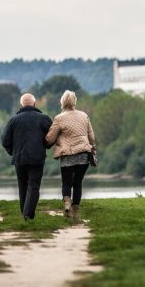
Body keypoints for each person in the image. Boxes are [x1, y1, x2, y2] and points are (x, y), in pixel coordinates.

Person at [45, 90, 96, 221]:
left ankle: (67, 202)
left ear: (62, 102)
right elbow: (91, 137)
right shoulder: (84, 116)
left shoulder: (59, 118)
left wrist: (46, 141)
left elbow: (50, 139)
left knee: (66, 183)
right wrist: (92, 148)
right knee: (78, 183)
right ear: (74, 102)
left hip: (67, 155)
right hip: (83, 154)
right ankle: (75, 211)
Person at [1, 93, 52, 220]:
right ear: (34, 104)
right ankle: (28, 215)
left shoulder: (13, 120)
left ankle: (25, 214)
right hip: (37, 158)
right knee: (33, 186)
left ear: (21, 104)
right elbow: (51, 137)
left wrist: (12, 151)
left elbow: (5, 141)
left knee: (22, 186)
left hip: (19, 158)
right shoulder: (44, 119)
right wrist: (45, 146)